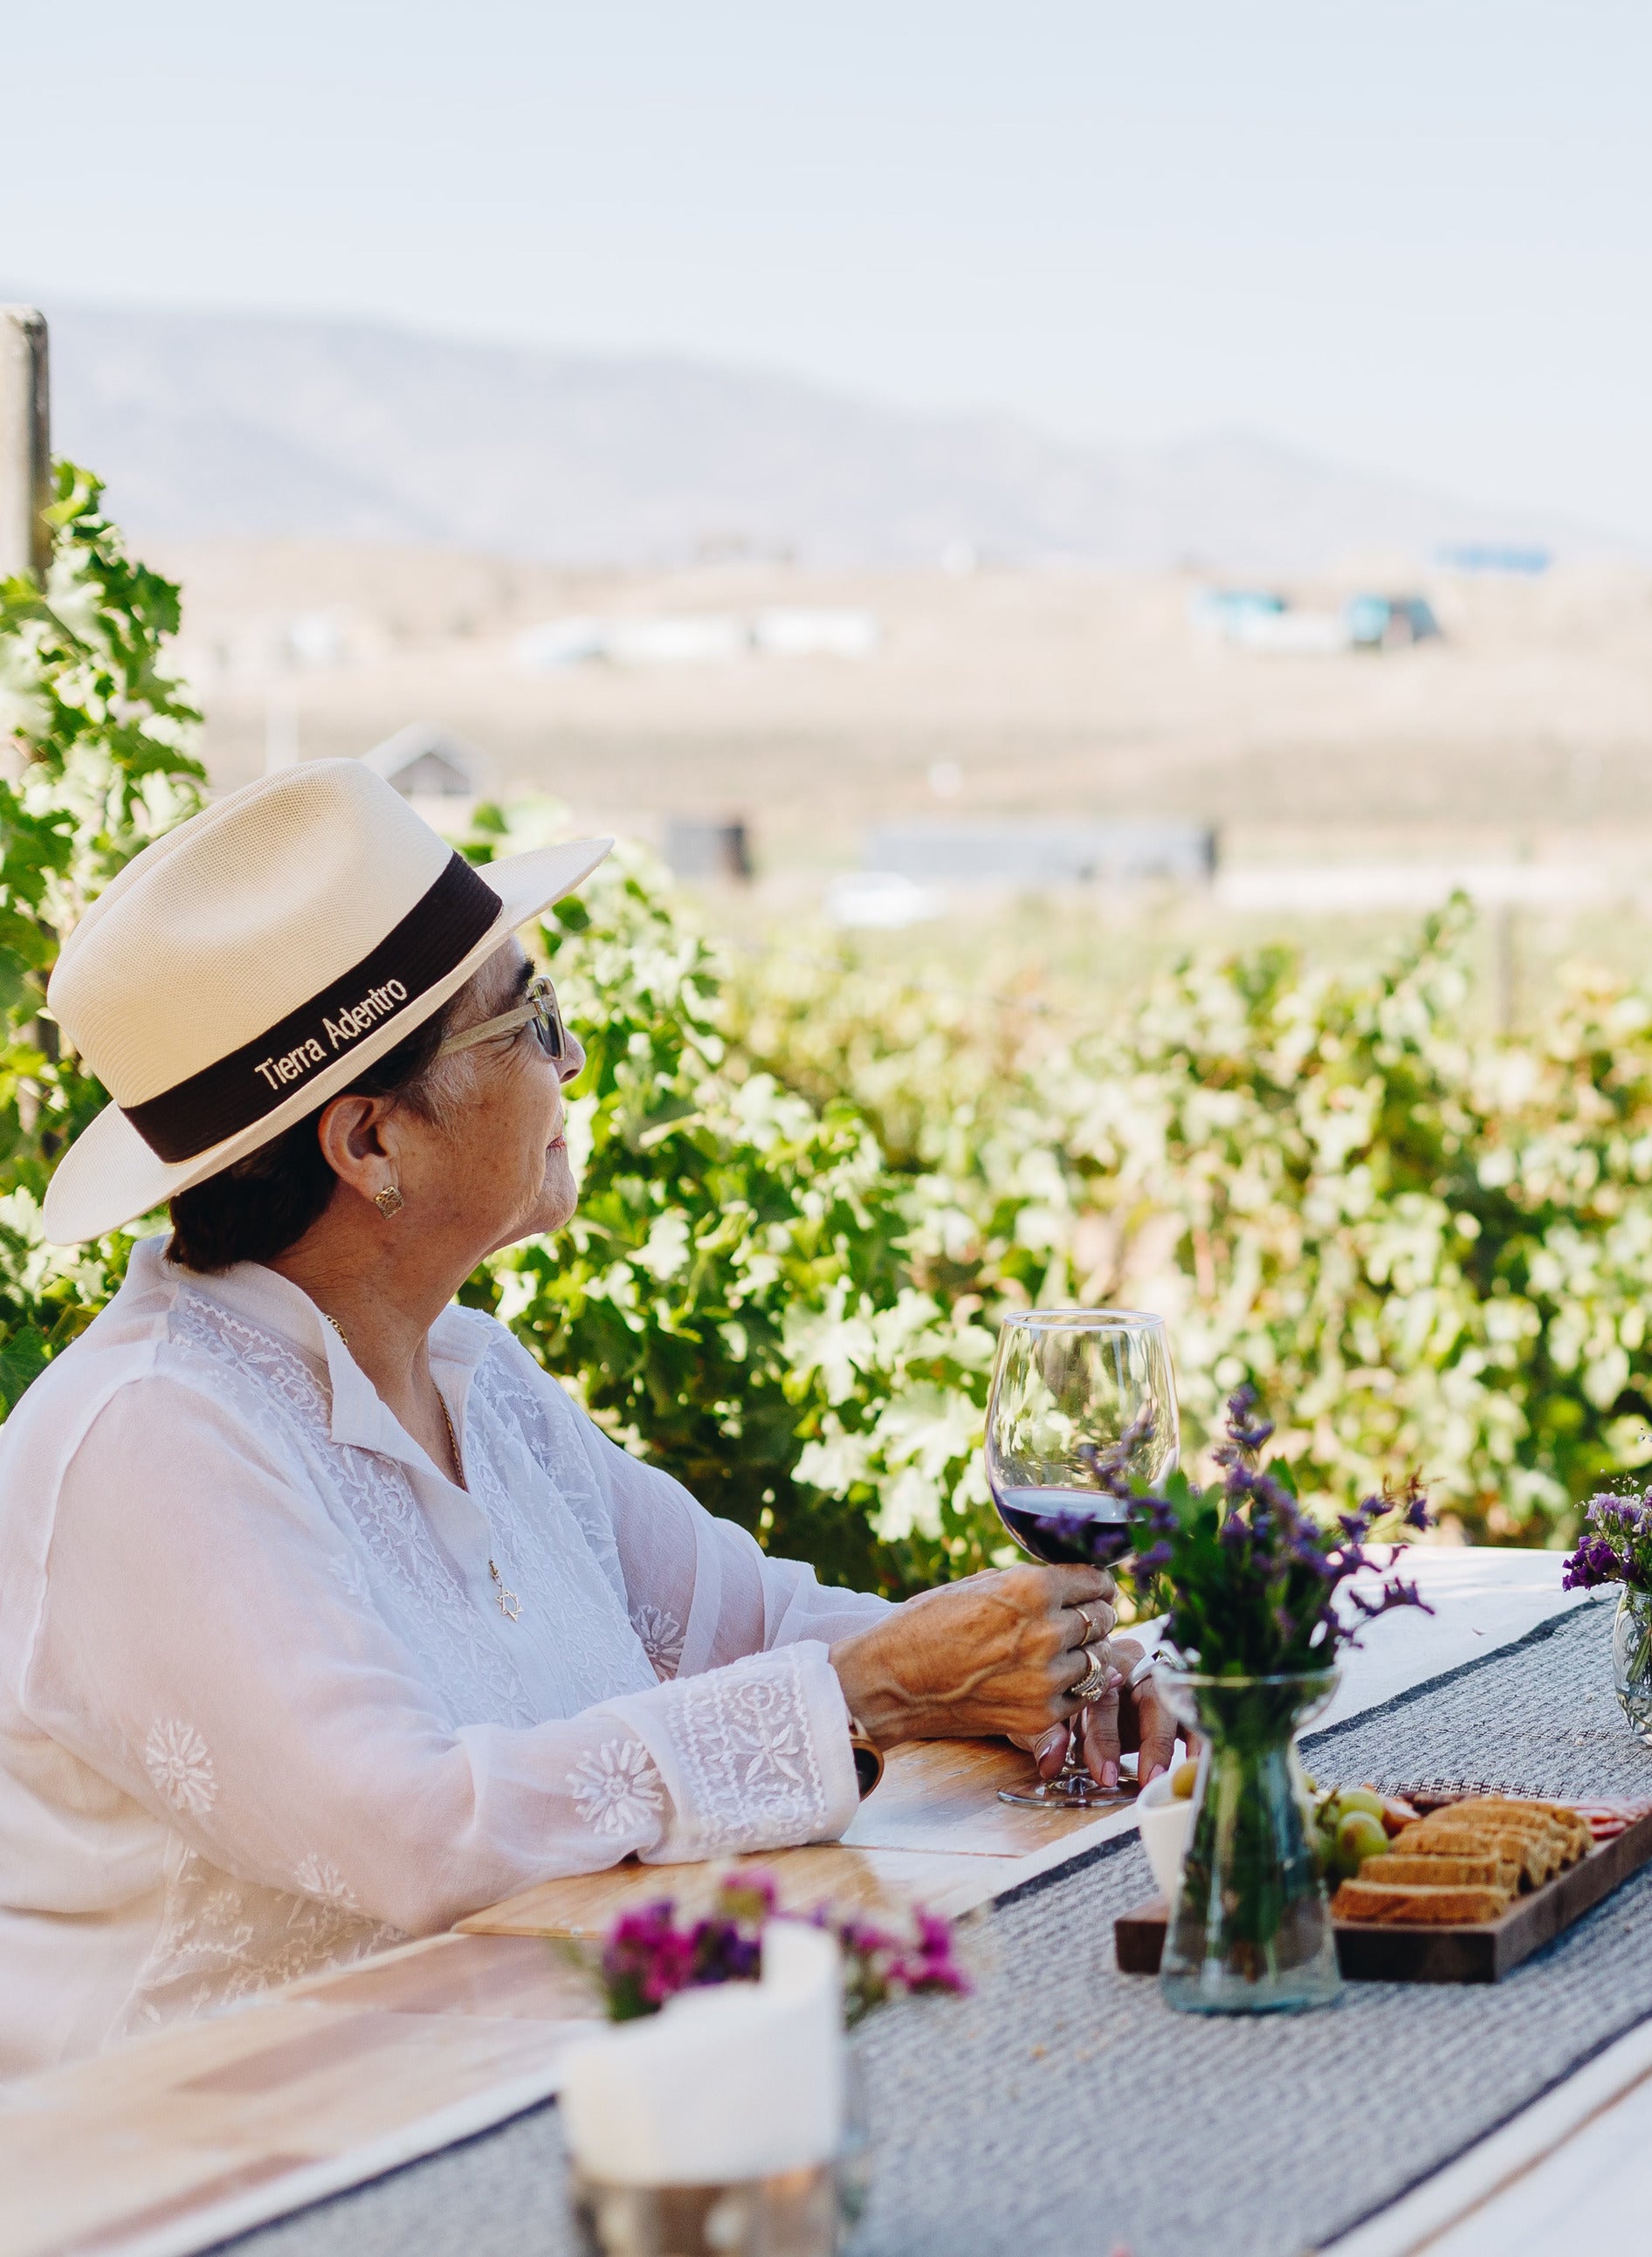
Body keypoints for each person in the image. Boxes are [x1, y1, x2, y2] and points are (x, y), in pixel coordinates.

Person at [0, 763, 1159, 2077]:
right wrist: (874, 1692)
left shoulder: (470, 1375)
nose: (574, 1058)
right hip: (222, 2178)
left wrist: (1024, 1669)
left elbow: (752, 1620)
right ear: (369, 1144)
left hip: (513, 2100)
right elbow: (415, 1831)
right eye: (530, 1019)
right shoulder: (149, 1440)